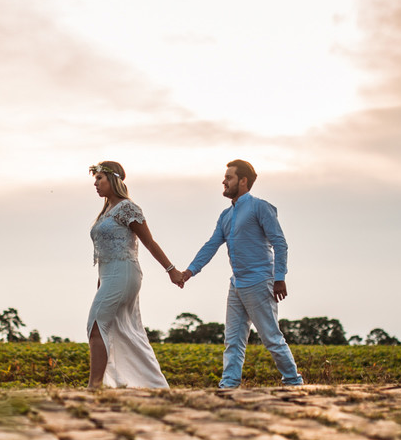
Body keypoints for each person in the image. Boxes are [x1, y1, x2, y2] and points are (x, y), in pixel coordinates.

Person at [181, 160, 304, 388]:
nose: (224, 181)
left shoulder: (260, 207)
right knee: (233, 340)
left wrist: (279, 278)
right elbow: (211, 245)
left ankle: (294, 382)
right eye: (225, 177)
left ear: (243, 181)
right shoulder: (225, 216)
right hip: (236, 284)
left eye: (229, 177)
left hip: (260, 282)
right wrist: (189, 272)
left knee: (271, 338)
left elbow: (280, 243)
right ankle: (229, 384)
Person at [87, 161, 184, 390]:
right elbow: (103, 254)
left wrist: (171, 270)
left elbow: (149, 242)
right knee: (121, 329)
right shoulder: (105, 213)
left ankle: (94, 386)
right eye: (95, 178)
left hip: (125, 272)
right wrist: (101, 283)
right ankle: (151, 384)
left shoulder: (127, 208)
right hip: (109, 275)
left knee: (96, 323)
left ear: (113, 180)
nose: (95, 183)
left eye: (100, 178)